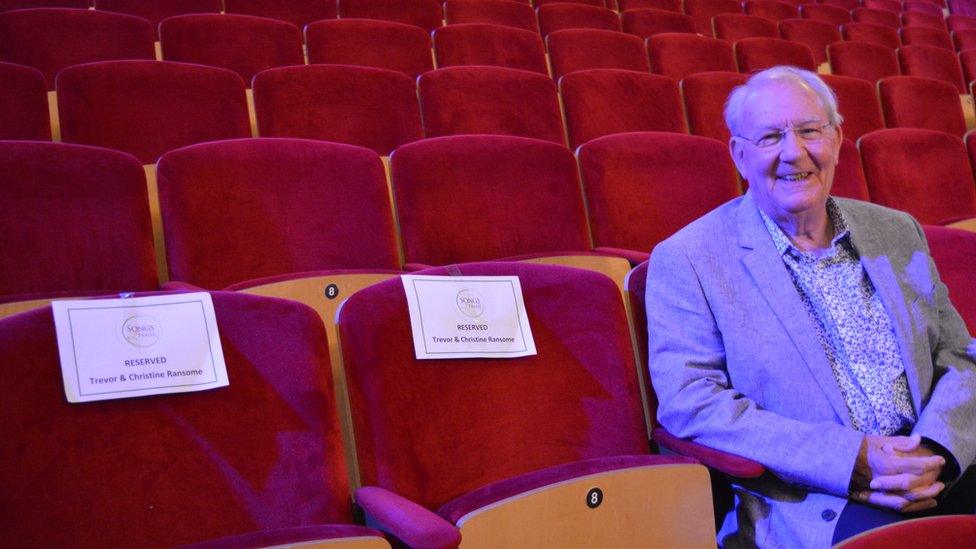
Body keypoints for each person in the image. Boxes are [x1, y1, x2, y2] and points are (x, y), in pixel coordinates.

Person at [644, 65, 976, 548]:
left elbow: (959, 356)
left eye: (808, 130)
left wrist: (936, 449)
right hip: (814, 498)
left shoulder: (898, 230)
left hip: (940, 468)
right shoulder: (689, 258)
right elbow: (692, 403)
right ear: (739, 155)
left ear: (838, 139)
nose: (793, 152)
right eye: (770, 137)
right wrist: (849, 460)